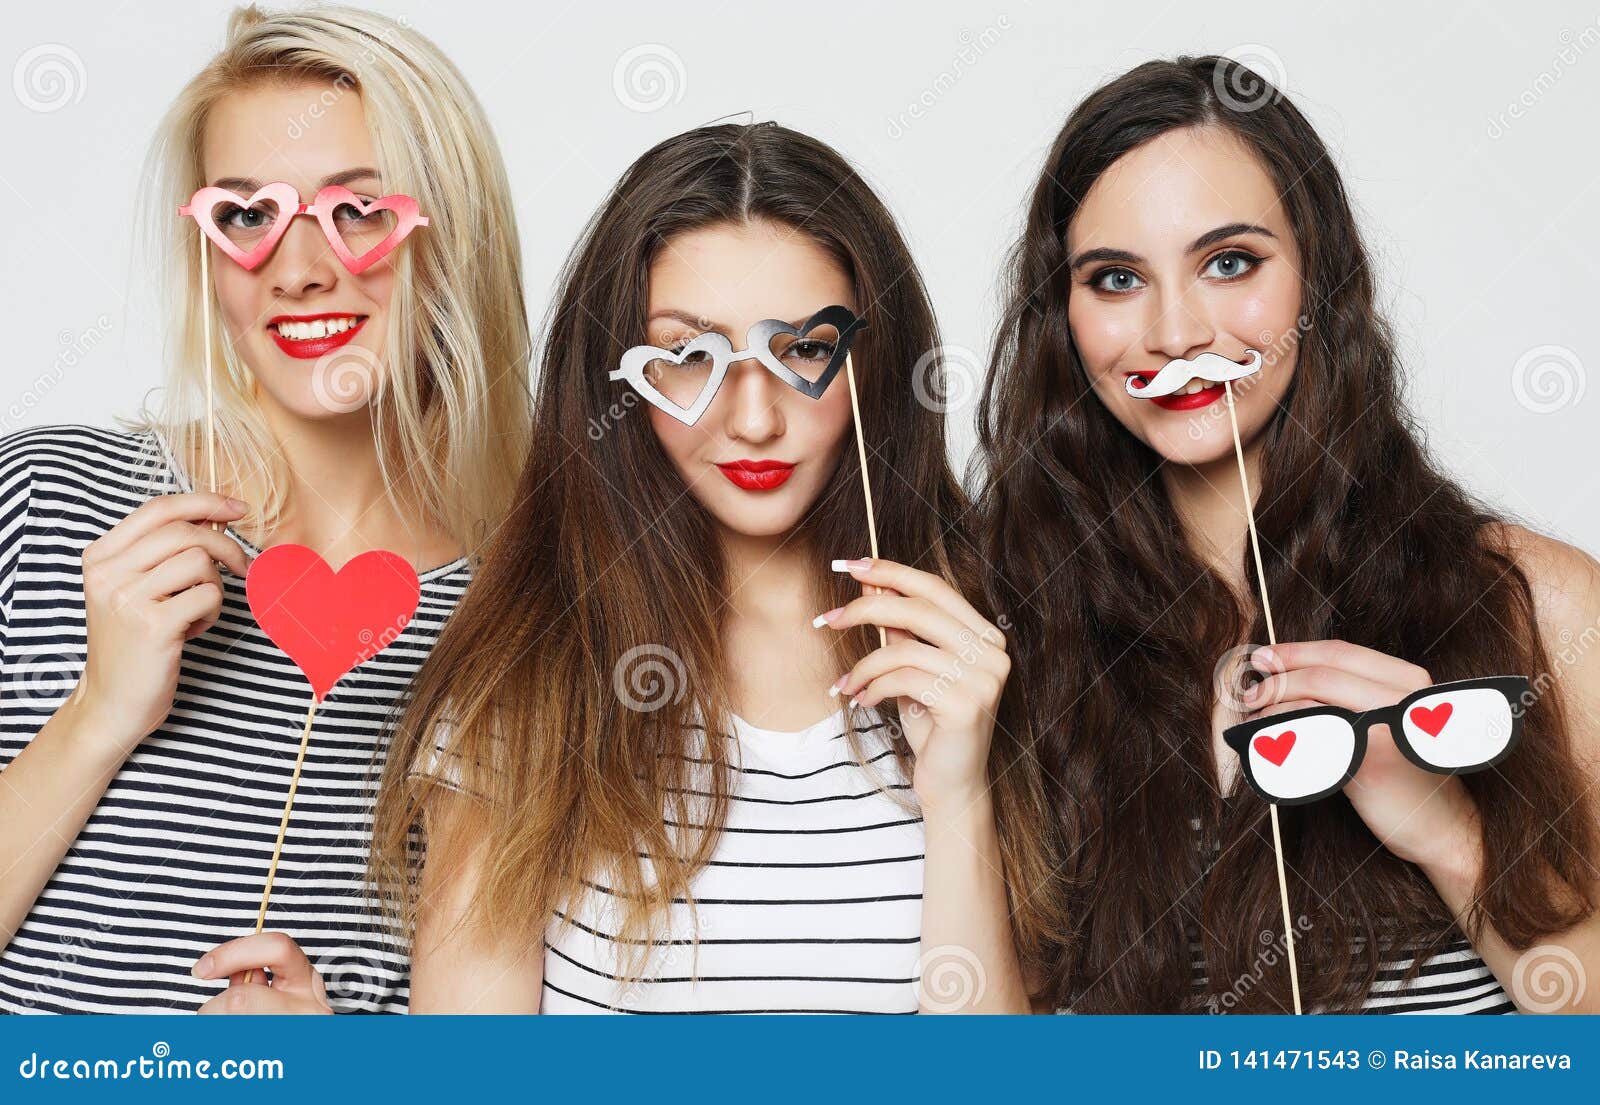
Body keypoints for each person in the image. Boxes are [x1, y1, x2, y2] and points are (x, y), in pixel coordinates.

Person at [975, 56, 1600, 1013]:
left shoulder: (1541, 602)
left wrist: (1442, 827)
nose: (1175, 330)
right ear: (1063, 315)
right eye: (1115, 278)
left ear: (1321, 276)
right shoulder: (1001, 628)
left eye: (1230, 263)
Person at [0, 3, 531, 1013]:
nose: (296, 269)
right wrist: (99, 713)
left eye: (360, 211)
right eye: (246, 215)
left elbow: (478, 1060)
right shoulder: (38, 498)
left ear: (453, 235)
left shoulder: (515, 615)